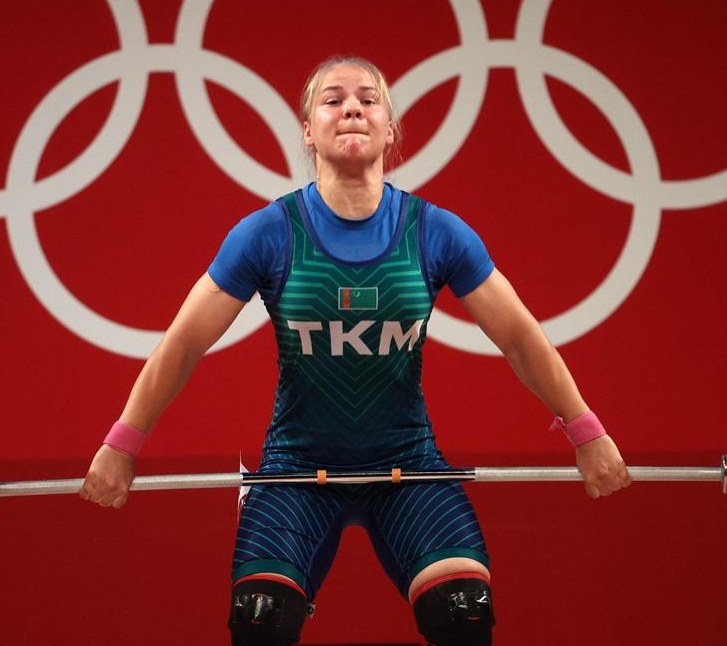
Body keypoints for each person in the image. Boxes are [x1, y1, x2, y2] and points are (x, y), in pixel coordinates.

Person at [80, 56, 632, 645]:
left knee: (463, 609)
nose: (352, 109)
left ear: (390, 130)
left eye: (368, 100)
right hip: (296, 470)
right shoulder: (268, 233)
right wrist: (124, 443)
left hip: (407, 466)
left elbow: (521, 338)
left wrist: (586, 431)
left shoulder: (435, 232)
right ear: (308, 130)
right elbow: (185, 344)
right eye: (333, 99)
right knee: (260, 617)